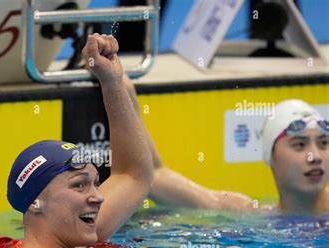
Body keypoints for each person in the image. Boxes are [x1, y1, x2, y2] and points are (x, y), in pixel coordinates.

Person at [6, 34, 266, 248]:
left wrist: (111, 80)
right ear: (35, 202)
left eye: (96, 183)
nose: (97, 197)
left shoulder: (71, 242)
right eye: (79, 186)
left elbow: (133, 175)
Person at [123, 77, 329, 215]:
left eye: (323, 143)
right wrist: (121, 91)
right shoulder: (250, 214)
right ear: (270, 156)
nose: (315, 156)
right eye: (300, 145)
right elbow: (154, 176)